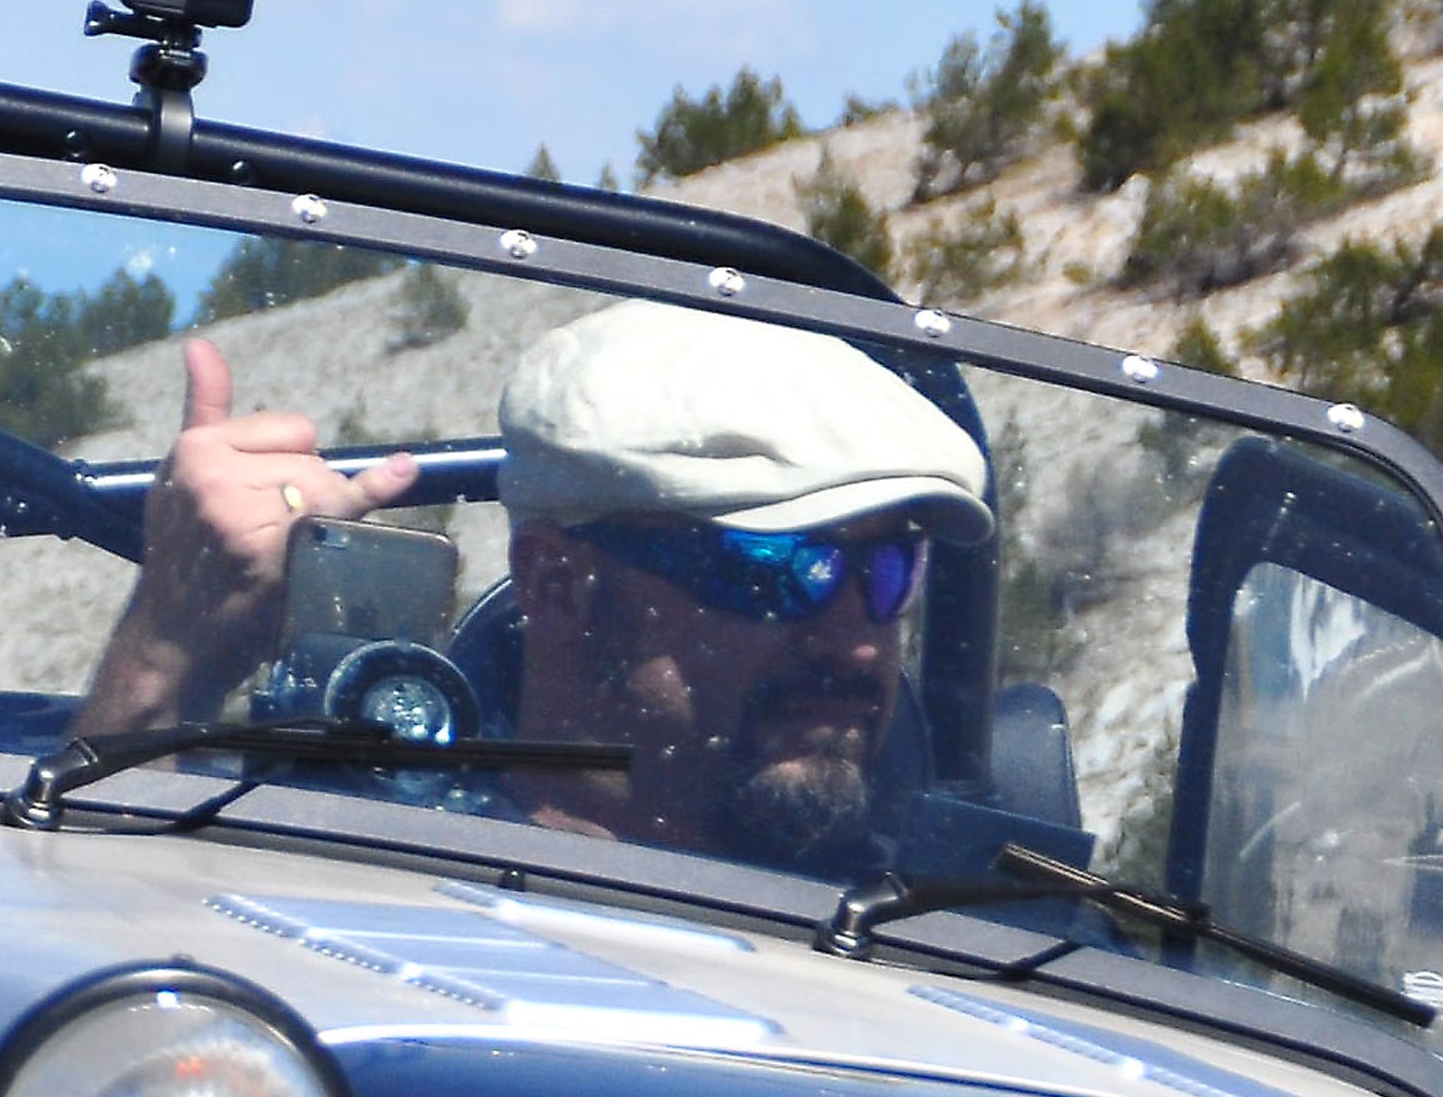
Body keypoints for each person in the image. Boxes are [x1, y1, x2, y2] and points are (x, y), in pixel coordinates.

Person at [75, 293, 988, 870]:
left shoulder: (950, 938)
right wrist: (165, 656)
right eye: (782, 567)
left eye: (889, 570)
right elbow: (103, 975)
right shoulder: (361, 863)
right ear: (556, 584)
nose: (855, 640)